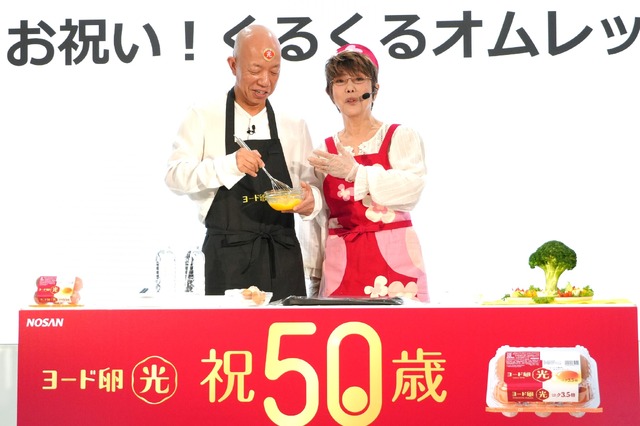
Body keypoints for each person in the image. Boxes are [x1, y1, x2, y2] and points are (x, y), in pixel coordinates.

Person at [165, 24, 322, 301]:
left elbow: (313, 188)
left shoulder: (293, 124)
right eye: (255, 70)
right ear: (233, 65)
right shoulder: (203, 115)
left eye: (274, 72)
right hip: (226, 258)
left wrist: (312, 202)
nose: (265, 81)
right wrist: (228, 166)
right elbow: (175, 176)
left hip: (282, 257)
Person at [308, 44, 429, 302]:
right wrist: (315, 275)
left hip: (395, 258)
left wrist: (355, 172)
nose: (350, 88)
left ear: (375, 89)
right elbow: (320, 218)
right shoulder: (325, 150)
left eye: (359, 79)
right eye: (340, 81)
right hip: (341, 261)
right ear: (330, 93)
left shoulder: (399, 136)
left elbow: (412, 188)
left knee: (402, 327)